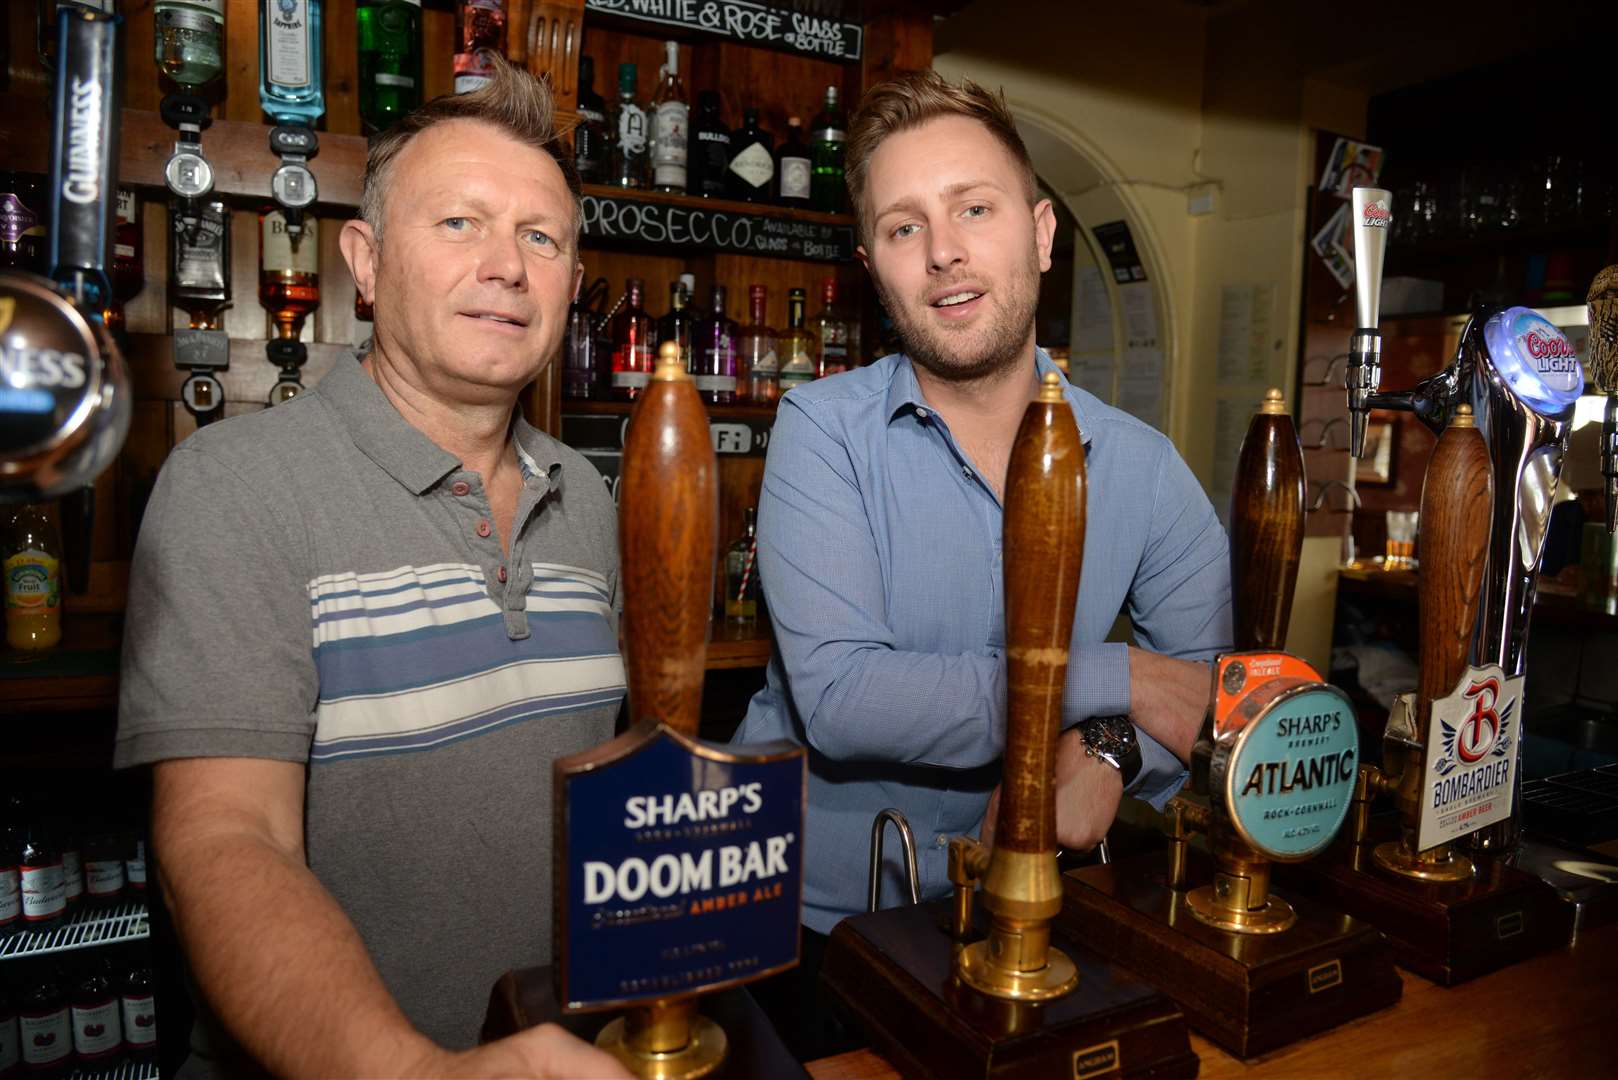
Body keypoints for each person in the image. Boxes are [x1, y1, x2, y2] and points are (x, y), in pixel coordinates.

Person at [115, 62, 632, 1078]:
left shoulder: (586, 494)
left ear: (573, 280)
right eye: (459, 225)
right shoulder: (233, 487)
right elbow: (227, 842)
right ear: (367, 258)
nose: (507, 268)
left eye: (542, 237)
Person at [736, 70, 1231, 1057]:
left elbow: (1203, 697)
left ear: (1042, 234)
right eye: (902, 226)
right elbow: (842, 697)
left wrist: (1108, 752)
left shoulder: (1142, 465)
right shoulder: (821, 431)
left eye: (974, 207)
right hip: (810, 927)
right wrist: (1117, 680)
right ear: (874, 267)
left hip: (1046, 920)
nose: (945, 251)